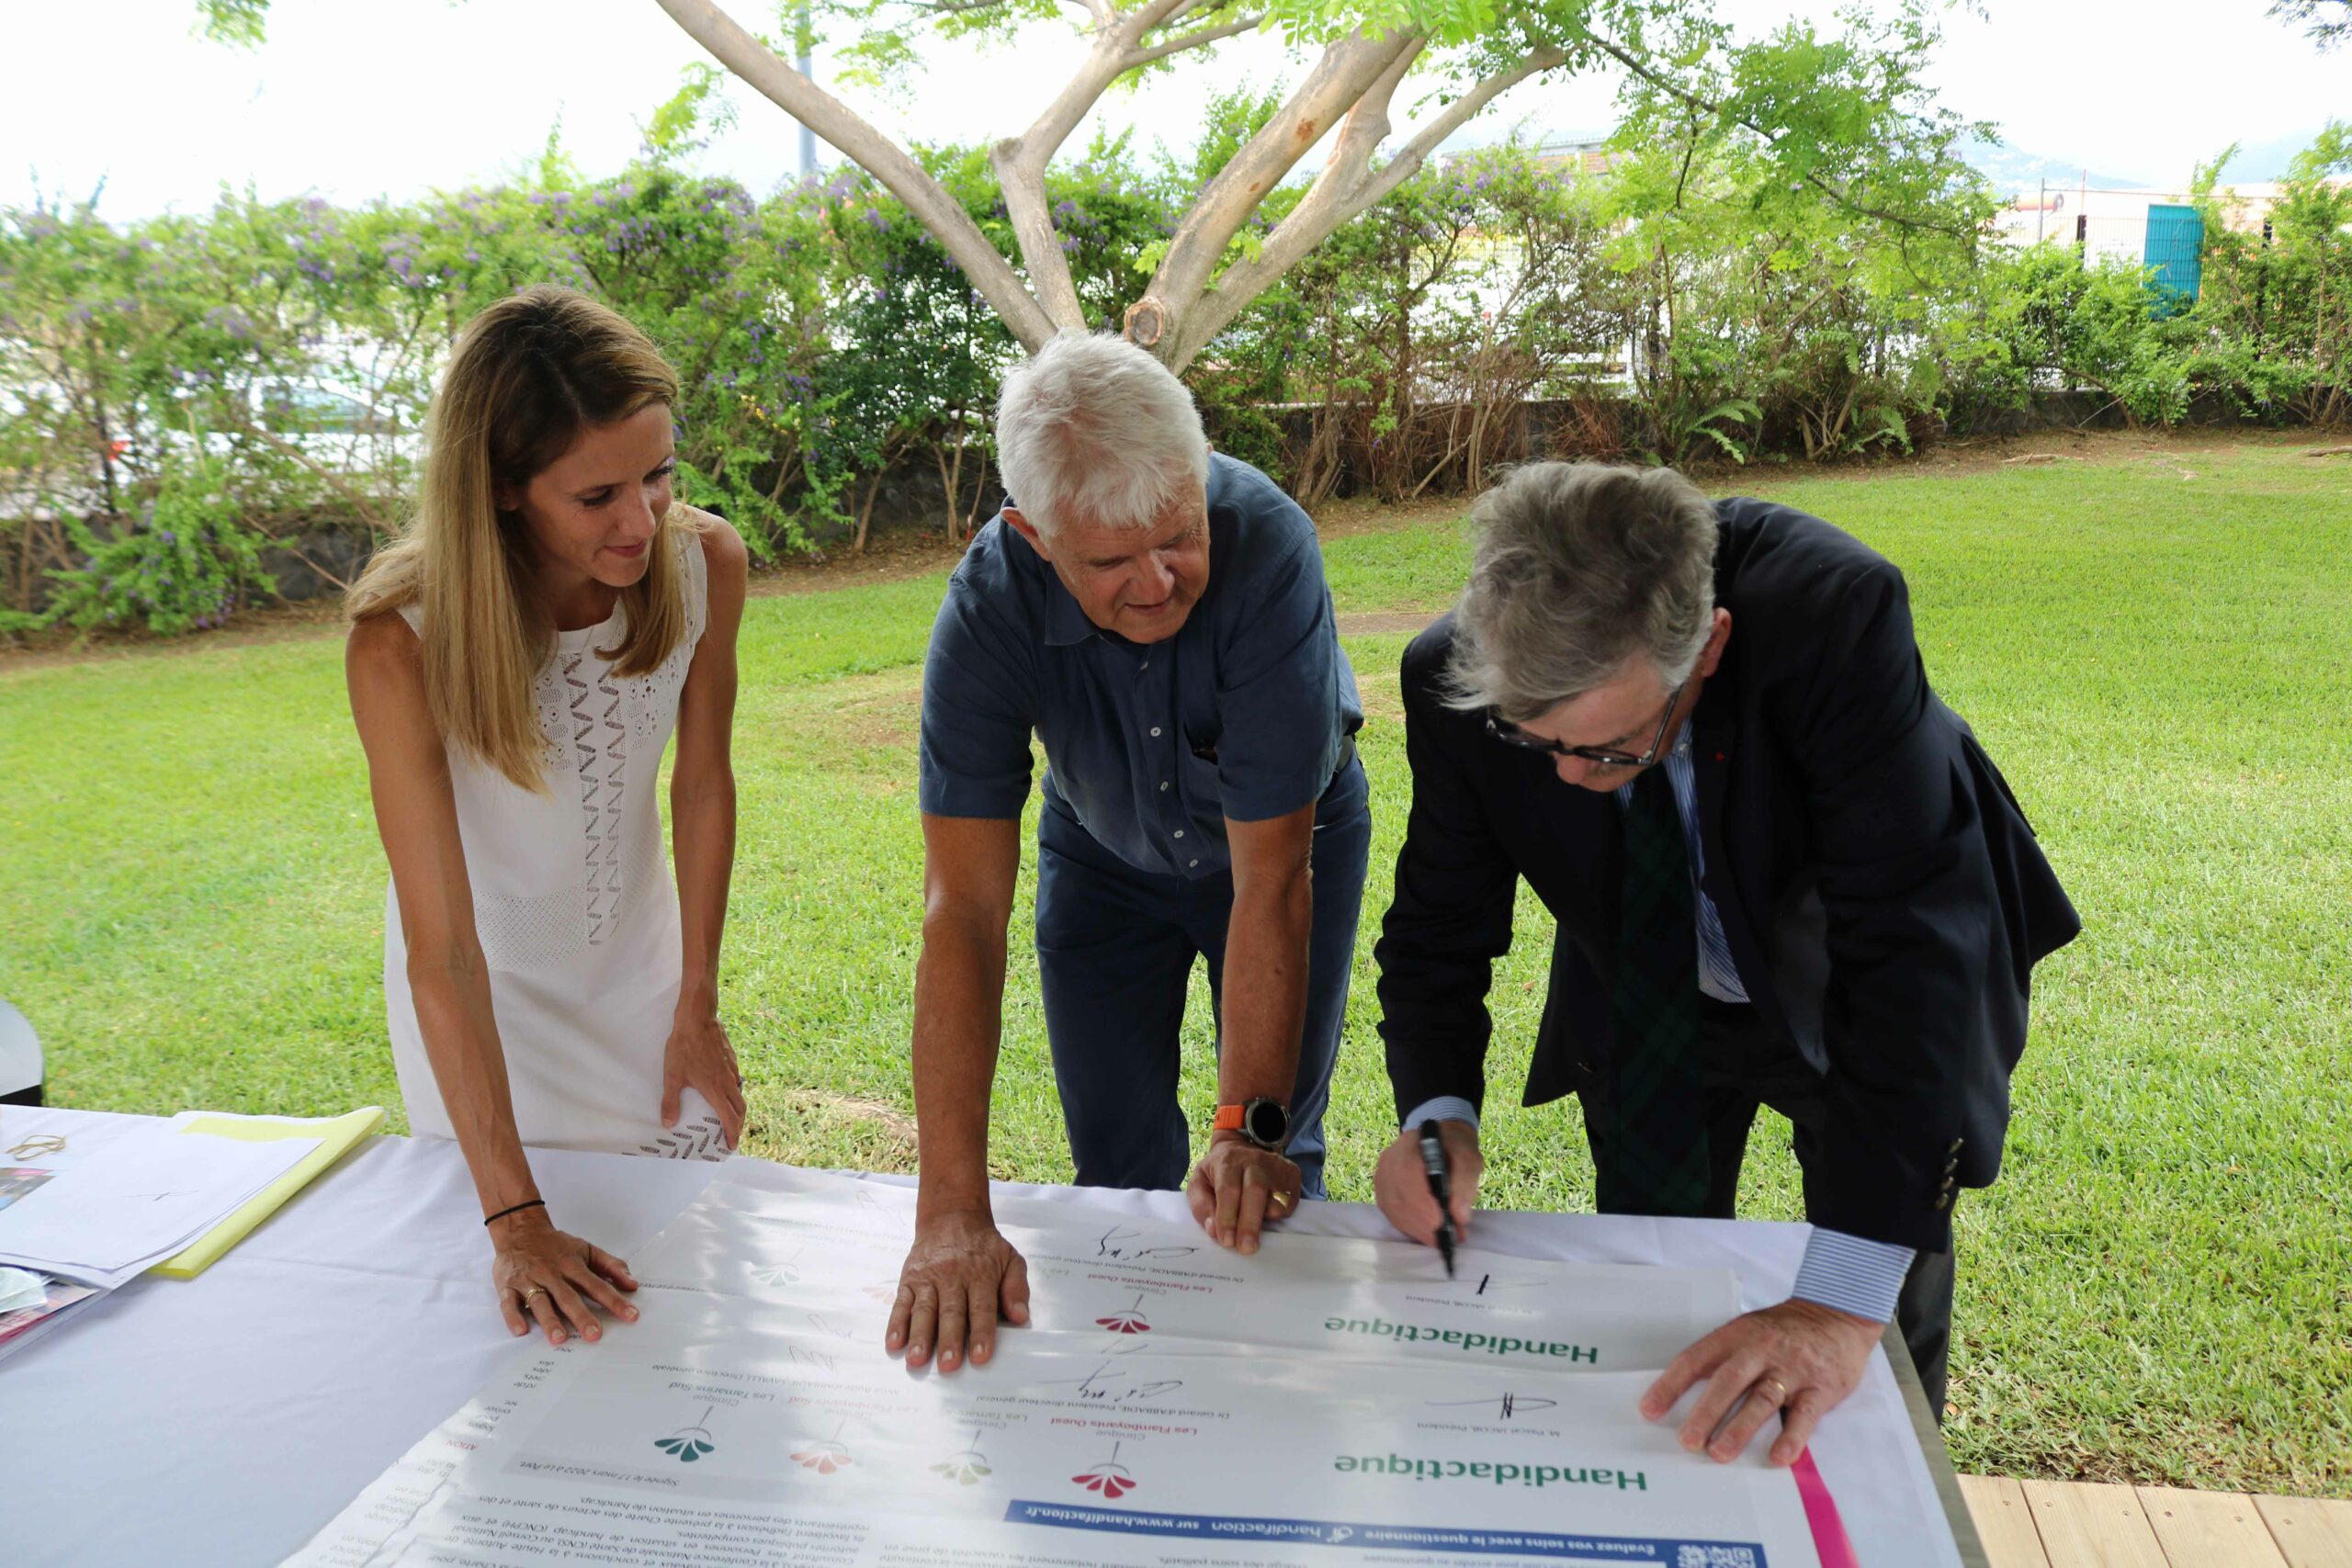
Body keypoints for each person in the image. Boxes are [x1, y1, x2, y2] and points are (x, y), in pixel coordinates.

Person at [1370, 461, 2078, 1465]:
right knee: (1653, 1257)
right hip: (1647, 969)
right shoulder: (1456, 676)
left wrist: (1839, 1303)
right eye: (1537, 743)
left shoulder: (1836, 614)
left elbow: (1910, 953)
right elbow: (1440, 921)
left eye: (1611, 747)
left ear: (1708, 644)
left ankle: (1887, 1485)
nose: (1570, 777)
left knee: (1877, 1278)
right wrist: (1436, 1114)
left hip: (1841, 962)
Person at [889, 332, 1369, 1373]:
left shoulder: (1269, 544)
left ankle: (1277, 1389)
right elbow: (961, 915)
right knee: (1113, 1152)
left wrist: (1246, 1130)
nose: (1157, 582)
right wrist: (950, 1213)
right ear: (1034, 536)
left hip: (1285, 846)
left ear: (1200, 478)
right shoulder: (988, 604)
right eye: (1109, 562)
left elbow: (1273, 882)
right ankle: (1139, 1391)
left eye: (1180, 536)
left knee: (1273, 1149)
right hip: (1100, 853)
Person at [345, 286, 751, 1347]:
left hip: (645, 977)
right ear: (502, 487)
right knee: (537, 1332)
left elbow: (701, 785)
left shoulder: (704, 563)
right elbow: (441, 952)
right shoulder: (401, 643)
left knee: (690, 1298)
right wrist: (515, 1219)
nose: (642, 520)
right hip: (486, 1008)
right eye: (598, 495)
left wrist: (696, 1002)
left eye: (659, 474)